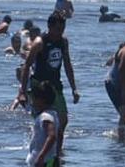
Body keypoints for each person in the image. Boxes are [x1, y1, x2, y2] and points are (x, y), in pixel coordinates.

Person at [17, 11, 81, 155]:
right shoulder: (39, 43)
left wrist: (74, 88)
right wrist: (22, 92)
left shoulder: (63, 41)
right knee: (46, 122)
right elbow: (26, 66)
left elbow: (67, 65)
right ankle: (39, 152)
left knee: (63, 121)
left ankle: (57, 153)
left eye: (63, 29)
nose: (60, 32)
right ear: (50, 27)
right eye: (58, 29)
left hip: (56, 86)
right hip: (39, 86)